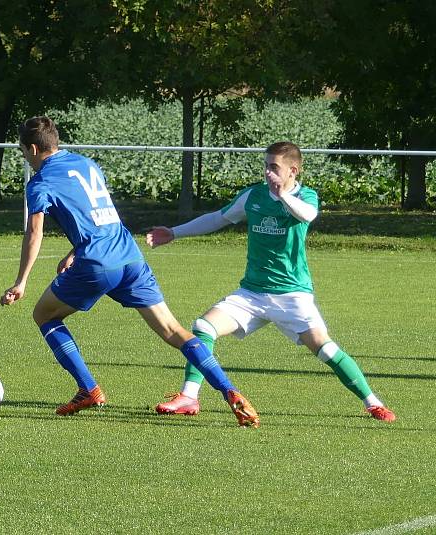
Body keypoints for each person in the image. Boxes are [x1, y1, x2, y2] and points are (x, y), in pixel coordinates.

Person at [0, 116, 259, 426]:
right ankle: (230, 391)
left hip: (97, 263)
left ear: (32, 148)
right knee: (174, 331)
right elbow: (101, 215)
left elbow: (34, 232)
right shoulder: (86, 164)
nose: (24, 157)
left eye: (22, 151)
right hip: (129, 257)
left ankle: (88, 389)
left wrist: (21, 282)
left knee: (44, 315)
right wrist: (74, 250)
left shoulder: (40, 182)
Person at [147, 141, 396, 422]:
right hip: (251, 294)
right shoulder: (253, 195)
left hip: (293, 296)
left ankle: (373, 402)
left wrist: (283, 197)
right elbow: (218, 218)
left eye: (274, 167)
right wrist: (174, 233)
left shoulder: (306, 196)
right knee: (203, 327)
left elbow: (308, 215)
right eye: (266, 166)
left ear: (293, 170)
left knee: (325, 348)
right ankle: (189, 397)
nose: (268, 172)